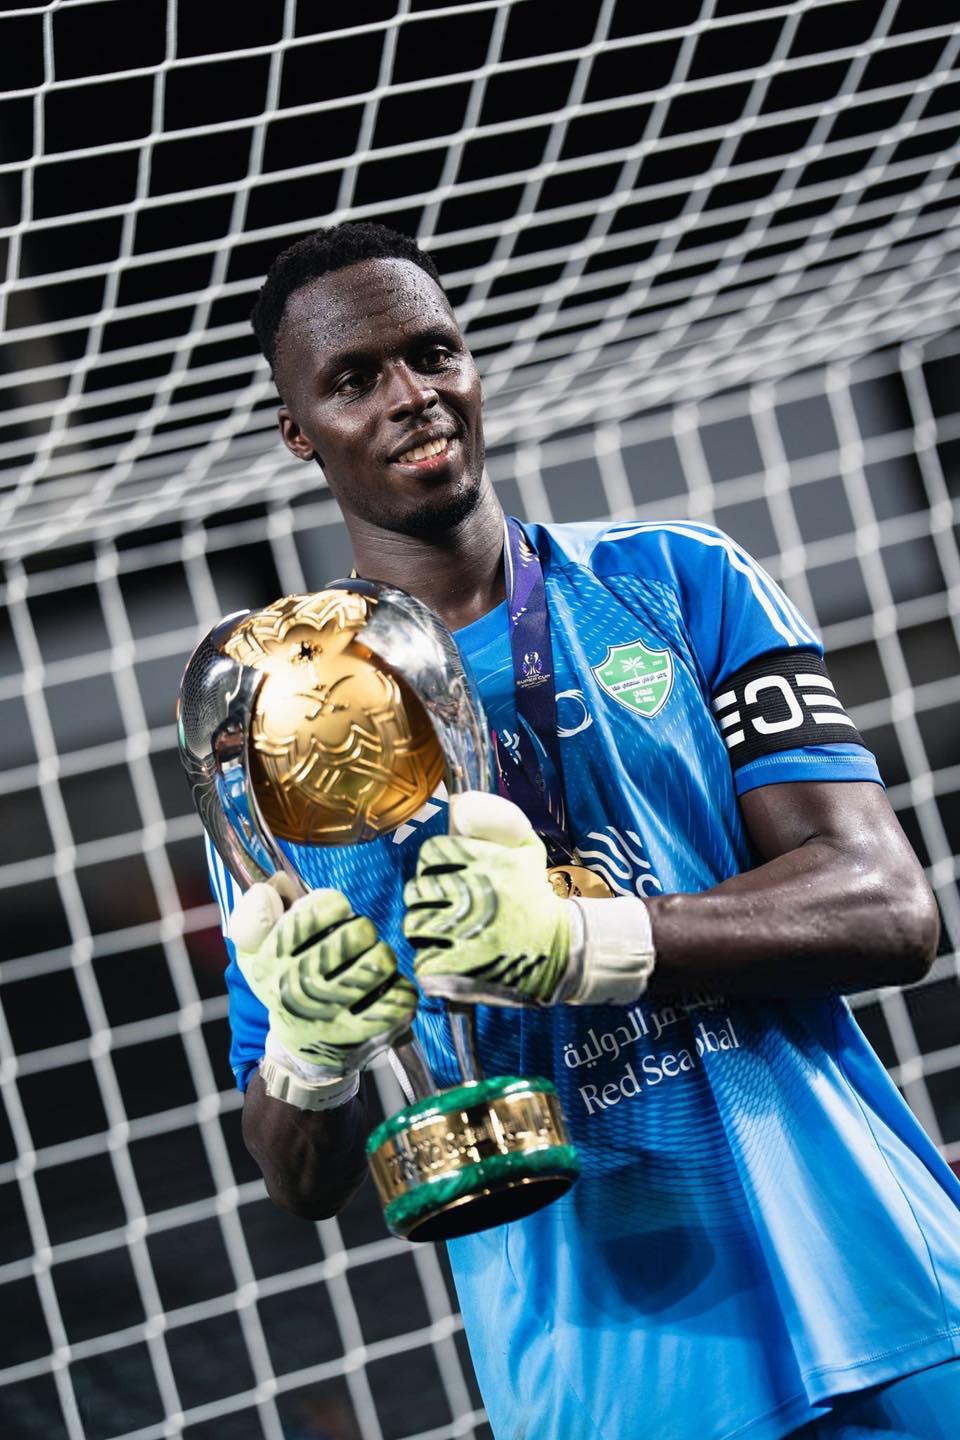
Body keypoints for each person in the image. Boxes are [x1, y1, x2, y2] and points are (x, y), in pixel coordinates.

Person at [206, 222, 960, 1440]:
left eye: (433, 353)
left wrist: (583, 940)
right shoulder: (280, 739)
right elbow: (302, 1174)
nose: (413, 396)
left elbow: (887, 907)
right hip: (612, 1384)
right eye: (355, 380)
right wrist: (308, 1048)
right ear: (299, 431)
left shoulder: (678, 579)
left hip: (886, 1285)